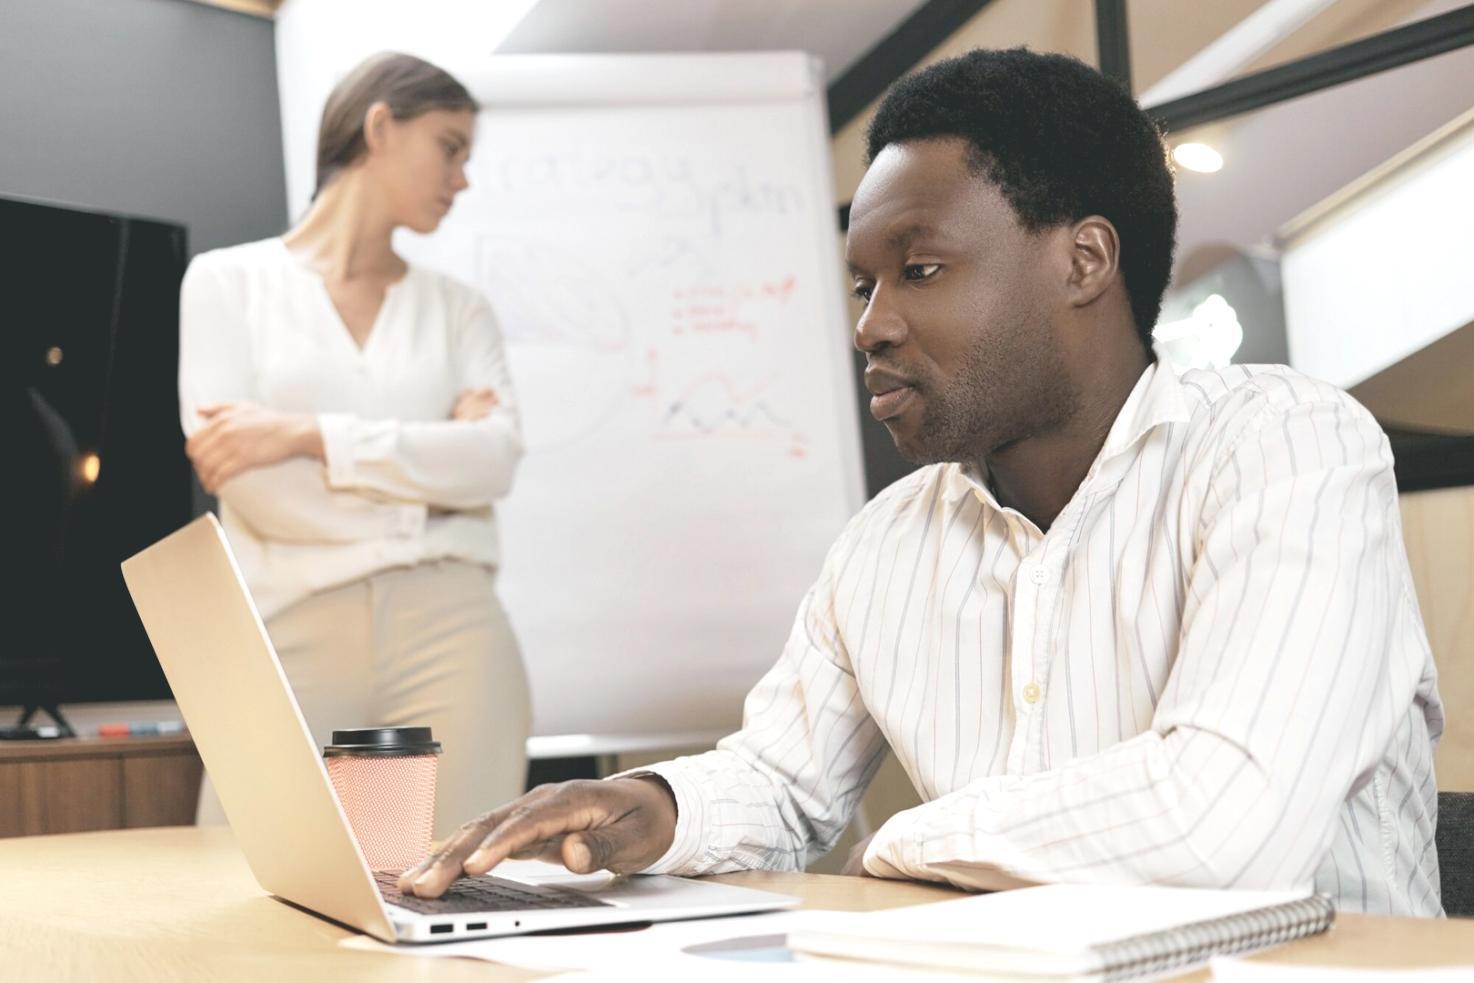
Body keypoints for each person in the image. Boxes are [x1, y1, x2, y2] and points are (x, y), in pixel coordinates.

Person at [399, 48, 1444, 915]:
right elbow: (781, 779)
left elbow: (1225, 822)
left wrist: (911, 841)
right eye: (862, 284)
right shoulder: (887, 540)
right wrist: (655, 806)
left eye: (920, 270)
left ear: (1083, 262)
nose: (871, 324)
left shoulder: (1288, 446)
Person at [179, 52, 528, 836]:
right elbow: (249, 484)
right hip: (291, 622)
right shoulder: (225, 282)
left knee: (454, 877)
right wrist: (431, 491)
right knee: (242, 874)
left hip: (454, 629)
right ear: (379, 127)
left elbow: (493, 460)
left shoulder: (459, 309)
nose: (462, 179)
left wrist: (304, 434)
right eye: (449, 147)